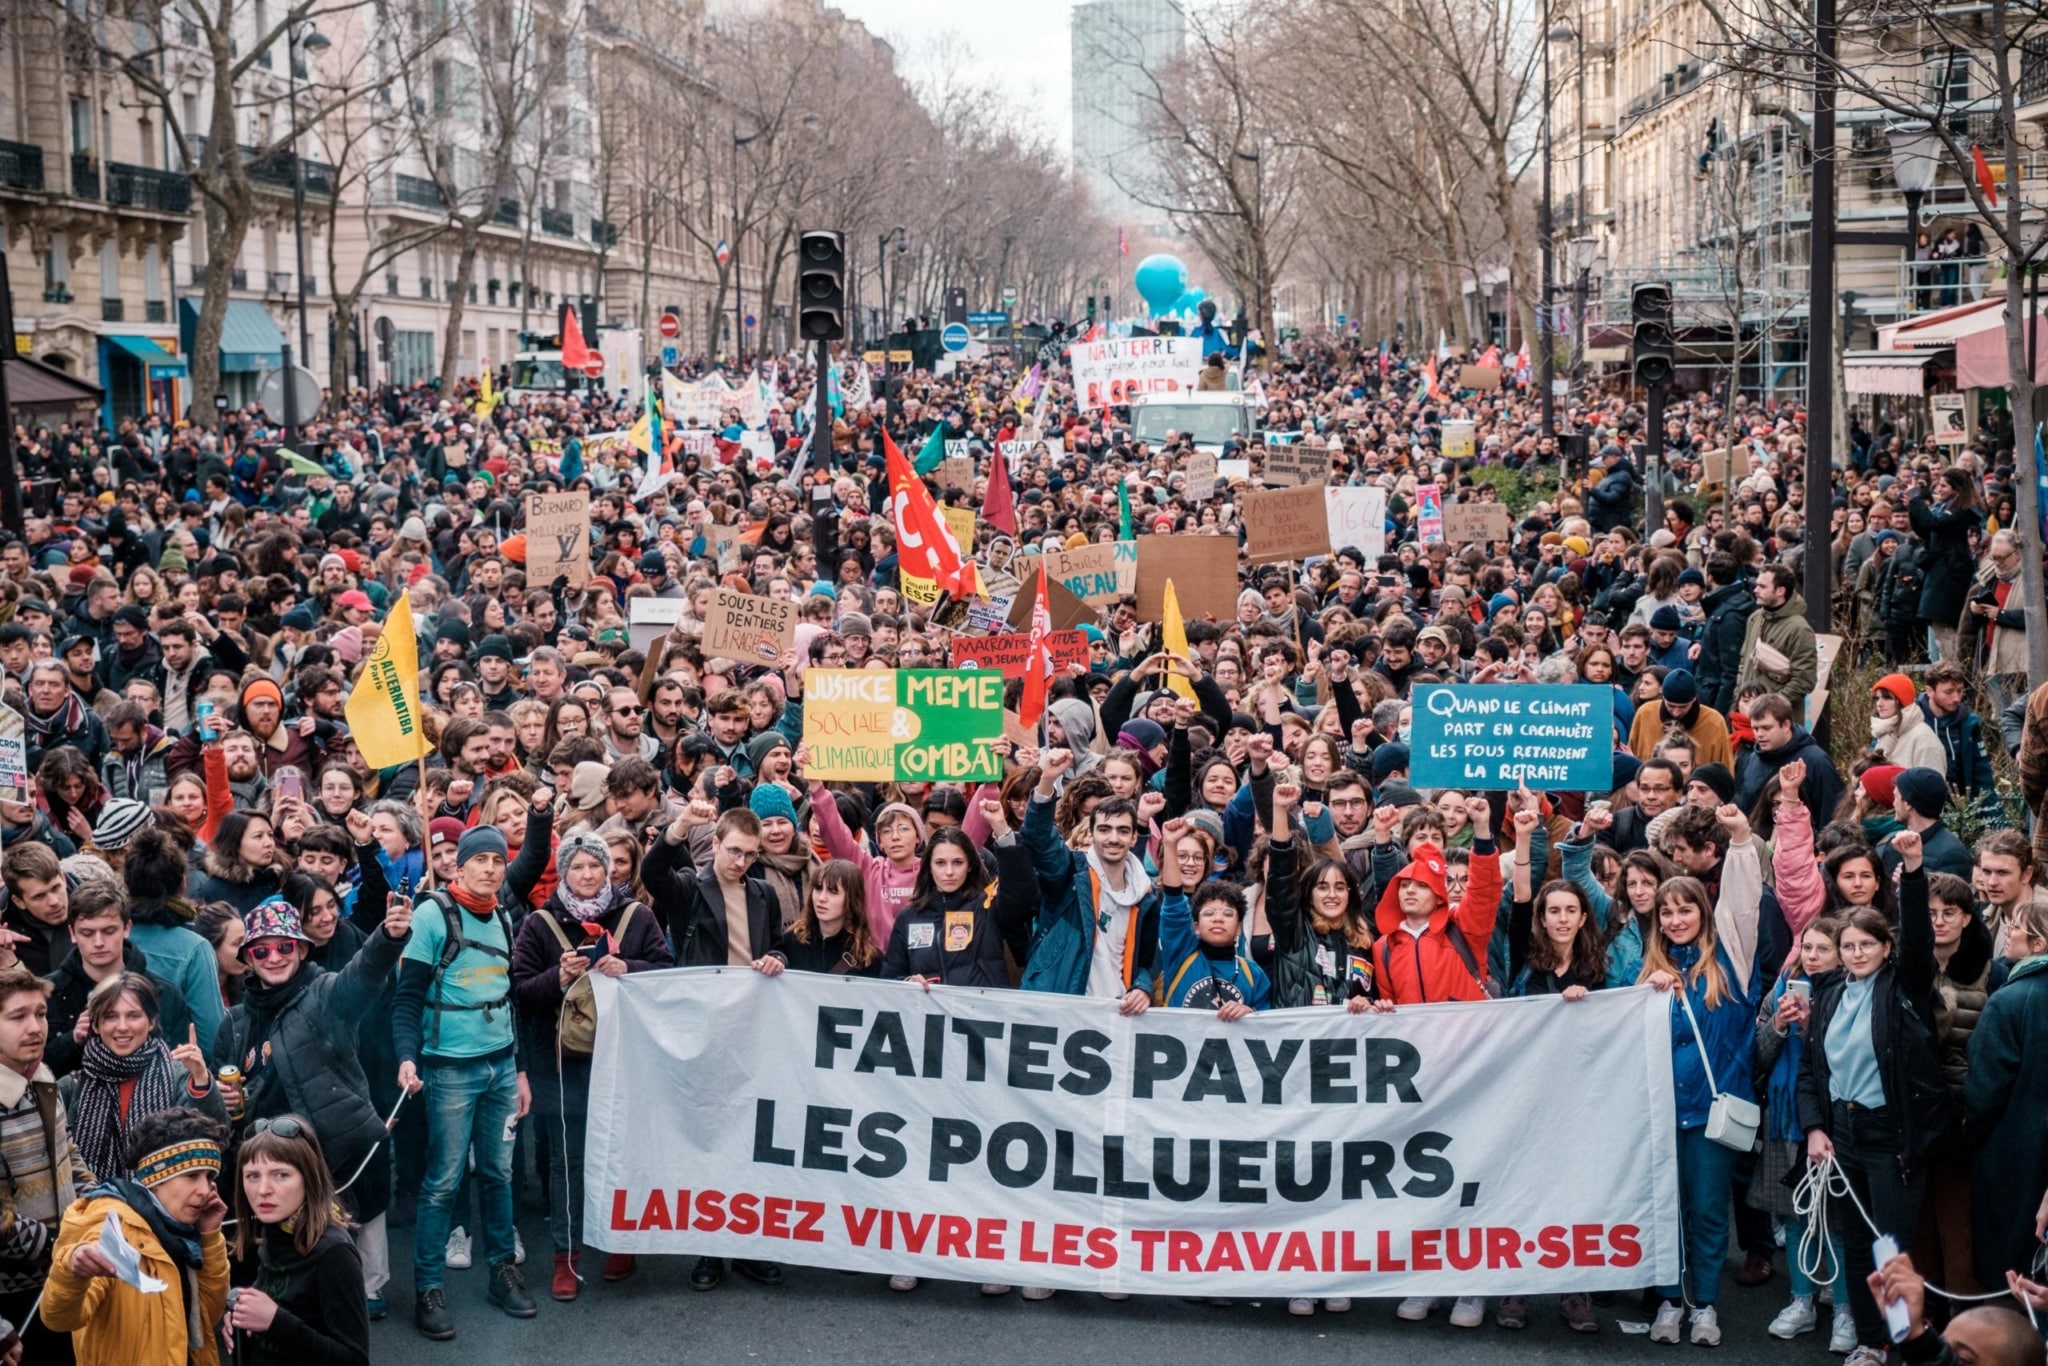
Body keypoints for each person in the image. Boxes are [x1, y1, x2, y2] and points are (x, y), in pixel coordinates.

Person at [213, 894, 411, 1323]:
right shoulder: (233, 1023)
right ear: (248, 960)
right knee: (275, 1270)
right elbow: (219, 1102)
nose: (274, 957)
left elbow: (362, 976)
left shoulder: (325, 995)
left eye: (285, 946)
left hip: (328, 1159)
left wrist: (388, 937)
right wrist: (218, 1096)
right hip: (265, 1163)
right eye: (262, 950)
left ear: (302, 949)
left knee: (327, 1274)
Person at [1798, 829, 1949, 1366]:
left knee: (1892, 1250)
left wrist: (1914, 871)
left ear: (1886, 949)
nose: (1857, 953)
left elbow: (1919, 944)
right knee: (1859, 1247)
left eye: (1867, 944)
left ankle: (1906, 1346)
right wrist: (1815, 1128)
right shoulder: (1829, 995)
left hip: (1892, 1136)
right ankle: (1869, 1342)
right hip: (1843, 1135)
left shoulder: (1903, 988)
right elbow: (1811, 1072)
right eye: (1848, 946)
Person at [508, 827, 671, 1301]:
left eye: (595, 865)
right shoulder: (539, 924)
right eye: (576, 866)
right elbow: (520, 991)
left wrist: (629, 968)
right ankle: (567, 1257)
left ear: (609, 870)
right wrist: (557, 976)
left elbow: (667, 972)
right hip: (561, 1063)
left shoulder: (637, 916)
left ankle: (621, 1242)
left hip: (623, 1059)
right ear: (564, 872)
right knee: (567, 1161)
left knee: (623, 1153)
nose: (586, 874)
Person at [392, 825, 536, 1339]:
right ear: (460, 866)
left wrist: (519, 1068)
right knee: (443, 1182)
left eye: (498, 861)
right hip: (449, 1069)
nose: (491, 869)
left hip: (500, 1066)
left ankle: (502, 1272)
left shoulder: (503, 915)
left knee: (498, 1173)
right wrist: (406, 1057)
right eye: (481, 860)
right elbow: (407, 995)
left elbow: (509, 997)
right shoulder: (432, 915)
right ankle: (428, 1289)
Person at [1642, 803, 1763, 1347]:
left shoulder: (1731, 962)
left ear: (1703, 913)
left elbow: (1743, 904)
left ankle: (1706, 1305)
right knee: (1666, 1213)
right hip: (1661, 1113)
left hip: (1713, 1112)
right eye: (1666, 912)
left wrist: (1740, 842)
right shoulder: (1647, 972)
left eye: (1685, 910)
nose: (1675, 920)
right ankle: (1671, 1302)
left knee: (1710, 1213)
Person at [41, 1108, 231, 1366]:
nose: (205, 1190)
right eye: (191, 1176)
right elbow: (59, 1318)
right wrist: (71, 1271)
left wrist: (209, 1237)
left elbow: (206, 1315)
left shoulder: (182, 1231)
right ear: (156, 1176)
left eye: (209, 1177)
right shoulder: (112, 1227)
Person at [227, 1115, 371, 1366]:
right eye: (252, 1176)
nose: (263, 1190)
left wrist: (275, 1322)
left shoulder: (334, 1253)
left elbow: (355, 1360)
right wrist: (242, 1321)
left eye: (281, 1175)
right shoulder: (274, 1231)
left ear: (309, 1177)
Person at [58, 974, 226, 1182]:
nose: (122, 1027)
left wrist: (200, 1077)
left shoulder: (178, 1076)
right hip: (92, 1200)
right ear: (95, 1025)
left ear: (151, 1022)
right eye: (110, 1016)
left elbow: (215, 1139)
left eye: (133, 1016)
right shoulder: (72, 1087)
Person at [0, 962, 85, 1366]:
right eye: (17, 1017)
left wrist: (93, 1203)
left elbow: (68, 1151)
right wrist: (52, 1242)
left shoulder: (43, 1076)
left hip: (63, 1273)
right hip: (11, 1294)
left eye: (40, 1014)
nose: (35, 1027)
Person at [1736, 564, 1820, 723]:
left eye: (1762, 586)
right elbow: (1743, 663)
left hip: (1778, 722)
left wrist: (1769, 707)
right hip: (1745, 717)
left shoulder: (1800, 629)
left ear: (1780, 591)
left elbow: (1804, 680)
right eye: (1756, 585)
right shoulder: (1755, 619)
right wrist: (1739, 698)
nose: (1755, 590)